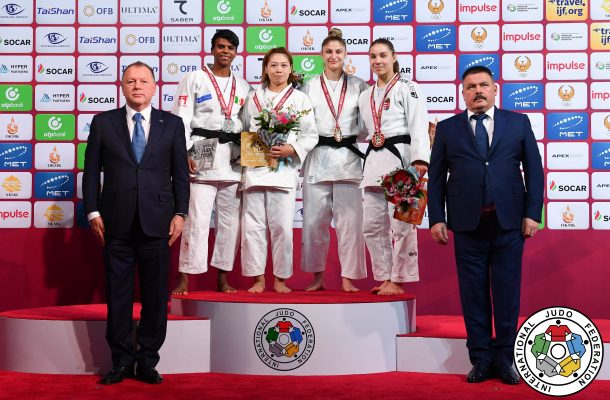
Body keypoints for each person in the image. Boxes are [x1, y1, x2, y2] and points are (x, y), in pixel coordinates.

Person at [428, 66, 544, 384]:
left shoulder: (518, 122)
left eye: (483, 85)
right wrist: (436, 217)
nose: (477, 90)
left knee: (507, 295)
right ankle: (480, 359)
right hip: (467, 225)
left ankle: (505, 359)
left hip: (509, 223)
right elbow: (436, 177)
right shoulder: (448, 128)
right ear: (463, 93)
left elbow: (535, 170)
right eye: (471, 87)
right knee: (473, 295)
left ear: (495, 89)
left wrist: (533, 213)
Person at [83, 62, 189, 384]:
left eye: (143, 81)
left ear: (155, 87)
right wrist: (93, 212)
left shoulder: (172, 124)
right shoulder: (103, 123)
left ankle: (147, 361)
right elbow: (91, 173)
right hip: (115, 223)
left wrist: (181, 213)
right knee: (118, 296)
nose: (137, 86)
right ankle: (120, 361)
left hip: (158, 223)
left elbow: (180, 175)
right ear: (122, 86)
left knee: (156, 297)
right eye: (131, 81)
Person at [171, 29, 252, 294]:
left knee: (230, 224)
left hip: (233, 159)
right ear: (212, 48)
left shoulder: (243, 86)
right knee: (196, 220)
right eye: (221, 46)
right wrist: (185, 152)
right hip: (201, 152)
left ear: (236, 52)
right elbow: (181, 119)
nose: (225, 51)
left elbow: (249, 124)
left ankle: (223, 277)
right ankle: (185, 277)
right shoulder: (194, 78)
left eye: (230, 47)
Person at [242, 47, 318, 293]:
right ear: (265, 68)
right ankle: (257, 279)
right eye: (273, 65)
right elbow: (245, 129)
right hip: (255, 170)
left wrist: (291, 149)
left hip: (283, 171)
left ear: (290, 69)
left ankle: (280, 279)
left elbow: (310, 135)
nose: (278, 70)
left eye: (284, 65)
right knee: (252, 228)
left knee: (282, 228)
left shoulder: (300, 99)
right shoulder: (253, 97)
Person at [358, 39, 430, 295]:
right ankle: (385, 276)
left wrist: (420, 160)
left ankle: (399, 279)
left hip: (402, 161)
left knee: (402, 224)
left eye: (383, 55)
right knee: (372, 226)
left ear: (394, 57)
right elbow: (363, 131)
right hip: (373, 163)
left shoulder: (408, 87)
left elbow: (419, 124)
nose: (378, 61)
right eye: (373, 56)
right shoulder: (365, 95)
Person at [300, 28, 369, 292]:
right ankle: (317, 277)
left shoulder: (359, 85)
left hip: (348, 159)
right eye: (328, 51)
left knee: (350, 224)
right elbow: (302, 123)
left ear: (346, 54)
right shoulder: (308, 85)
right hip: (318, 157)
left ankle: (348, 278)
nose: (333, 56)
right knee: (314, 223)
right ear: (321, 54)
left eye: (338, 51)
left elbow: (366, 124)